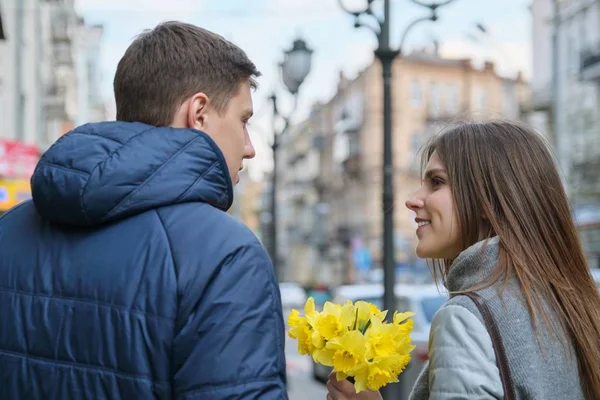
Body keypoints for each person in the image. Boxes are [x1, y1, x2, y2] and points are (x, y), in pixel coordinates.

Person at [0, 22, 287, 399]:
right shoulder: (226, 255)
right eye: (243, 120)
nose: (249, 147)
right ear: (198, 113)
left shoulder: (8, 230)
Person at [326, 120, 600, 400]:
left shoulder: (466, 318)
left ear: (488, 201)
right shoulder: (576, 305)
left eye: (437, 182)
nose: (412, 200)